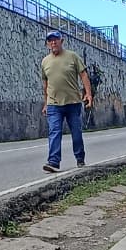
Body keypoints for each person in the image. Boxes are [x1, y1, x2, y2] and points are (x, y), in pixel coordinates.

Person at [40, 31, 93, 172]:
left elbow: (83, 75)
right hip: (53, 104)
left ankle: (80, 158)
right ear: (47, 44)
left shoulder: (72, 56)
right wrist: (45, 103)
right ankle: (53, 161)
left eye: (55, 40)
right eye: (50, 40)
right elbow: (45, 84)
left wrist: (88, 94)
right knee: (54, 132)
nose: (53, 42)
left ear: (61, 41)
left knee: (76, 132)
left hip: (73, 103)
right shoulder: (45, 61)